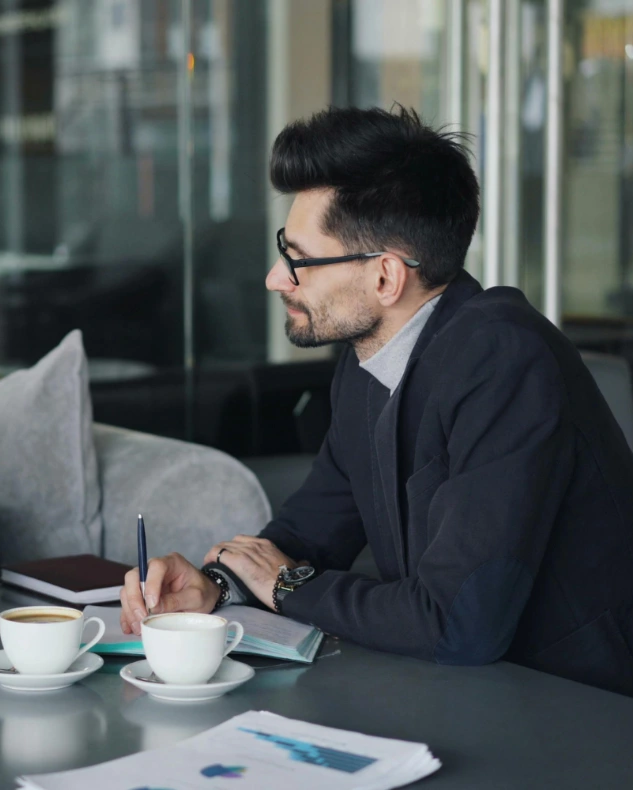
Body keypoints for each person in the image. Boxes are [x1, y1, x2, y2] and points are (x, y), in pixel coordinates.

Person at [120, 106, 633, 696]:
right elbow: (310, 532)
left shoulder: (504, 359)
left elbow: (458, 622)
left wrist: (287, 586)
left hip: (579, 709)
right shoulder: (367, 364)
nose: (275, 278)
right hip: (466, 694)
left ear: (387, 277)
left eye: (300, 260)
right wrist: (217, 585)